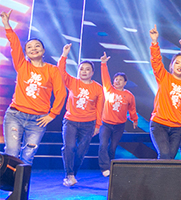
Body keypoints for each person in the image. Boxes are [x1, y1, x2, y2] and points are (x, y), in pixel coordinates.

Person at [1, 10, 65, 164]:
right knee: (12, 152)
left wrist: (52, 114)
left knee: (28, 156)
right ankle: (9, 179)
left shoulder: (52, 70)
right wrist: (7, 25)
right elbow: (15, 45)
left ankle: (21, 180)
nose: (33, 48)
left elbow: (61, 93)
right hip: (15, 115)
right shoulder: (22, 65)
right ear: (26, 53)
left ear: (43, 51)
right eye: (29, 47)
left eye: (37, 46)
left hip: (38, 120)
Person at [58, 44, 104, 187]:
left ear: (92, 72)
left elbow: (99, 108)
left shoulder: (98, 88)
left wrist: (98, 125)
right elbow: (61, 72)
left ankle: (73, 173)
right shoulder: (73, 82)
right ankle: (69, 175)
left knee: (81, 151)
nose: (84, 71)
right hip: (70, 121)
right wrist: (64, 55)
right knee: (69, 147)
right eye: (81, 69)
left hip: (88, 124)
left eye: (87, 69)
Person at [149, 25, 181, 160]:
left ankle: (160, 174)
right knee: (164, 154)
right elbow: (156, 61)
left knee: (170, 157)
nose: (180, 66)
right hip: (159, 124)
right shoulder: (163, 77)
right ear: (172, 65)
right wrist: (154, 42)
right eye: (177, 63)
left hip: (177, 128)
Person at [98, 52, 138, 177]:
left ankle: (111, 166)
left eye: (120, 80)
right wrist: (103, 64)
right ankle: (104, 167)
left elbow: (132, 108)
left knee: (112, 147)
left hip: (119, 126)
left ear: (125, 82)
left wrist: (134, 119)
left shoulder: (129, 95)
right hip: (106, 124)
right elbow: (105, 77)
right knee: (103, 145)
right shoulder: (109, 89)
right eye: (116, 79)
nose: (117, 81)